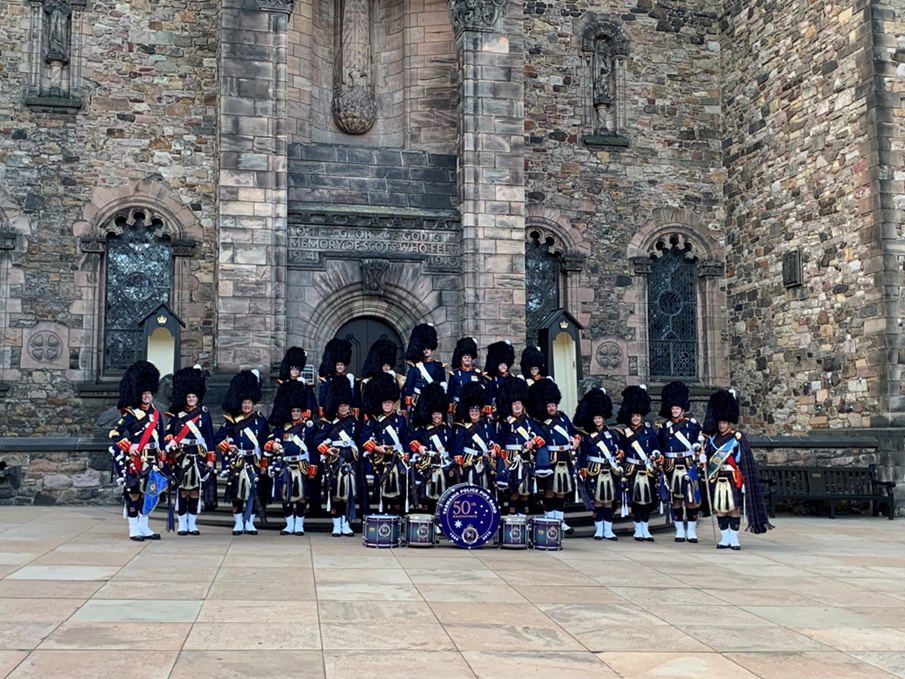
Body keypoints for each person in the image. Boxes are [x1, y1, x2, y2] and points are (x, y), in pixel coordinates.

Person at [702, 389, 773, 549]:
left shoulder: (737, 438)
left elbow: (744, 460)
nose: (722, 425)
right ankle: (724, 538)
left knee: (734, 509)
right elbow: (707, 459)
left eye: (725, 423)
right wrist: (701, 458)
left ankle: (734, 539)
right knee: (721, 508)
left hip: (733, 477)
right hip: (718, 477)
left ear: (730, 422)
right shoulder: (712, 439)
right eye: (720, 423)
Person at [108, 360, 165, 541]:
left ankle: (144, 526)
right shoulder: (131, 415)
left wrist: (162, 457)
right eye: (144, 393)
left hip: (153, 459)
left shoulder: (156, 414)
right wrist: (129, 446)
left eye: (149, 393)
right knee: (133, 492)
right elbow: (114, 433)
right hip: (136, 458)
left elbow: (161, 439)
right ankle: (134, 527)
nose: (147, 396)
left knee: (149, 491)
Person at [215, 370, 269, 536]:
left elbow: (266, 443)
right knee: (237, 493)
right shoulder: (232, 421)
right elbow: (218, 438)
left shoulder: (260, 421)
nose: (246, 405)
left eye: (249, 403)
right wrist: (228, 447)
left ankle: (250, 522)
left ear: (254, 404)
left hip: (254, 460)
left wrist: (264, 464)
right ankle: (238, 522)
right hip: (238, 461)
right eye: (244, 402)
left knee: (254, 492)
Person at [164, 366, 215, 537]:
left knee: (194, 491)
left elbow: (209, 437)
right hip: (182, 457)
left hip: (198, 456)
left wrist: (210, 458)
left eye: (194, 397)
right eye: (189, 397)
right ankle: (182, 524)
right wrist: (170, 439)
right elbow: (168, 432)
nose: (191, 399)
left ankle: (192, 524)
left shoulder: (204, 414)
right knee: (182, 491)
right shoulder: (177, 415)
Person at [265, 380, 317, 536]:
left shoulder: (309, 428)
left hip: (302, 465)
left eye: (297, 411)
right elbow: (268, 443)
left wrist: (313, 466)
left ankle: (299, 525)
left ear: (302, 412)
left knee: (301, 496)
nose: (295, 413)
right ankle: (289, 525)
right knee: (285, 496)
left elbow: (313, 449)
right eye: (293, 411)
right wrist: (273, 444)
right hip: (286, 466)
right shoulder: (281, 428)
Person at [528, 378, 579, 534]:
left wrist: (576, 440)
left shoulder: (563, 418)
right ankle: (550, 519)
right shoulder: (539, 422)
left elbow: (574, 432)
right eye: (548, 405)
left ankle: (560, 521)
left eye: (553, 405)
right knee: (549, 490)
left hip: (565, 457)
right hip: (551, 458)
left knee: (561, 490)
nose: (551, 408)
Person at [657, 381, 704, 543]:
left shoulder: (692, 425)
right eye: (673, 408)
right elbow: (660, 447)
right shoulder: (664, 427)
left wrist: (699, 448)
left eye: (677, 408)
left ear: (683, 409)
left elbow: (702, 441)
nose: (674, 410)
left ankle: (691, 531)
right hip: (671, 465)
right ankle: (679, 531)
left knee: (691, 499)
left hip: (688, 465)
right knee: (676, 499)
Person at [575, 388, 622, 540]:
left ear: (604, 418)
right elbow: (583, 455)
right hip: (594, 469)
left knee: (608, 500)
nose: (597, 421)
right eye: (595, 419)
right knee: (597, 501)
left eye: (599, 418)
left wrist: (619, 453)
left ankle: (608, 530)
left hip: (608, 470)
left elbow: (617, 448)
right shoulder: (588, 437)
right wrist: (583, 470)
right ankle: (598, 530)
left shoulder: (611, 434)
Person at [315, 378, 360, 536]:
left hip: (349, 461)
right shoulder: (328, 423)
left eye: (345, 406)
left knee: (347, 494)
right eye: (340, 406)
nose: (343, 408)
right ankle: (336, 525)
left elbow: (360, 441)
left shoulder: (354, 422)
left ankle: (346, 524)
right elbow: (318, 440)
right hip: (334, 462)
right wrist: (327, 451)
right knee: (335, 494)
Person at [360, 372, 410, 516]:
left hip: (397, 457)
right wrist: (376, 448)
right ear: (380, 403)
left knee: (398, 490)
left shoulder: (399, 419)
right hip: (382, 459)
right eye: (385, 403)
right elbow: (363, 438)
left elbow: (405, 439)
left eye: (390, 402)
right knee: (383, 490)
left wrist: (406, 455)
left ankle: (395, 517)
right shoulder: (375, 420)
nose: (387, 405)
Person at [616, 385, 661, 542]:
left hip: (647, 468)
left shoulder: (649, 431)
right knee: (635, 500)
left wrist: (656, 454)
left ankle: (645, 529)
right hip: (632, 469)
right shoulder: (624, 433)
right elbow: (620, 448)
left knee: (647, 501)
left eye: (638, 415)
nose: (635, 418)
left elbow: (656, 447)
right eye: (633, 415)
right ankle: (637, 529)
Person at [495, 376, 545, 517]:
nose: (517, 406)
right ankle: (513, 519)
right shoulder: (505, 423)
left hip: (525, 458)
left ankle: (522, 518)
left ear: (523, 405)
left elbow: (541, 436)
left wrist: (533, 442)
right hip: (511, 458)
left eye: (519, 404)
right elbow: (501, 442)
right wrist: (504, 460)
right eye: (514, 404)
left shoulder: (529, 421)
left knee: (525, 491)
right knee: (513, 490)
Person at [409, 382, 454, 514]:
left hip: (444, 465)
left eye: (439, 414)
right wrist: (419, 447)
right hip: (428, 465)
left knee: (443, 494)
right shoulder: (422, 430)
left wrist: (452, 467)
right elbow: (411, 440)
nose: (436, 416)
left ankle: (441, 519)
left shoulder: (448, 430)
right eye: (433, 414)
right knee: (428, 495)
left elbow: (452, 449)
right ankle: (429, 519)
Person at [451, 382, 497, 490]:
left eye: (476, 411)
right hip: (469, 460)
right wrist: (459, 465)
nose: (474, 413)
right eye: (471, 411)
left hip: (485, 460)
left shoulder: (487, 424)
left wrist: (494, 448)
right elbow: (458, 447)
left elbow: (496, 440)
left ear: (480, 412)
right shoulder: (462, 427)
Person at [403, 323, 446, 416]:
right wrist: (409, 403)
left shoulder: (439, 365)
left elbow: (442, 384)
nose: (426, 350)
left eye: (428, 348)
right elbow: (409, 386)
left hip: (433, 400)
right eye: (424, 348)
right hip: (418, 399)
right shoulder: (414, 366)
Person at [318, 338, 356, 416]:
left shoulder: (350, 378)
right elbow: (323, 397)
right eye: (337, 365)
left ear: (345, 366)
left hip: (346, 413)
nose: (339, 367)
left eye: (341, 365)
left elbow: (354, 397)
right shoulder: (327, 380)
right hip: (331, 414)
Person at [447, 337, 485, 414]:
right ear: (461, 359)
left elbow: (483, 390)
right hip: (459, 405)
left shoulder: (477, 373)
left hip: (474, 407)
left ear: (471, 359)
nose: (467, 359)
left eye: (469, 357)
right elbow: (450, 392)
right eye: (465, 357)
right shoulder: (455, 373)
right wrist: (450, 405)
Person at [484, 340, 515, 418]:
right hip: (496, 408)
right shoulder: (493, 380)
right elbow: (489, 395)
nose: (503, 367)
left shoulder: (512, 378)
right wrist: (489, 412)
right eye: (500, 366)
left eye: (504, 365)